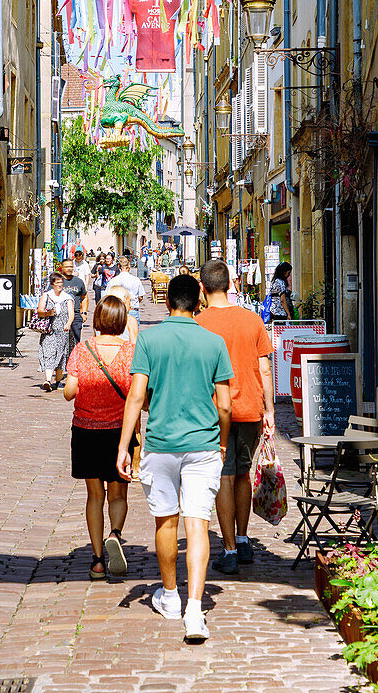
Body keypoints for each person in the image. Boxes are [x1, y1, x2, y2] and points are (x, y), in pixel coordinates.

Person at [117, 274, 233, 644]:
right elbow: (226, 405)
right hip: (203, 445)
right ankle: (195, 610)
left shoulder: (149, 339)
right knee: (197, 523)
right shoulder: (214, 342)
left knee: (165, 523)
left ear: (167, 302)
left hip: (162, 444)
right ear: (198, 302)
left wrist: (124, 446)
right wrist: (223, 444)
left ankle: (170, 596)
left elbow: (136, 397)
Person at [197, 259, 275, 575]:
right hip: (251, 408)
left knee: (223, 477)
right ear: (231, 284)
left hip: (215, 410)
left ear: (202, 288)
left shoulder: (198, 323)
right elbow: (265, 368)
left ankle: (229, 548)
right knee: (243, 472)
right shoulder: (252, 320)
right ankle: (243, 540)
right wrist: (269, 410)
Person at [64, 295, 136, 580]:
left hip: (86, 430)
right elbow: (140, 396)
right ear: (121, 322)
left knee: (95, 495)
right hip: (120, 432)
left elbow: (70, 391)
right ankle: (115, 533)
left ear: (97, 320)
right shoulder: (131, 352)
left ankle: (96, 561)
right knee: (118, 493)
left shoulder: (83, 350)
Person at [35, 272, 74, 391]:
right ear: (52, 284)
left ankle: (58, 381)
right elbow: (39, 311)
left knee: (62, 354)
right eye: (57, 283)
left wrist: (68, 324)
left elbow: (71, 313)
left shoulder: (67, 297)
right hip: (49, 330)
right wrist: (47, 313)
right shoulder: (46, 296)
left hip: (63, 330)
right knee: (49, 353)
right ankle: (47, 380)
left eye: (61, 283)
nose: (60, 285)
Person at [60, 258, 88, 346]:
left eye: (71, 267)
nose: (69, 269)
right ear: (62, 267)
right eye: (67, 267)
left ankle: (73, 359)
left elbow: (84, 297)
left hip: (76, 315)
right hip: (60, 316)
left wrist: (83, 312)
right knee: (61, 343)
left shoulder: (78, 281)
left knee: (75, 343)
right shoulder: (57, 281)